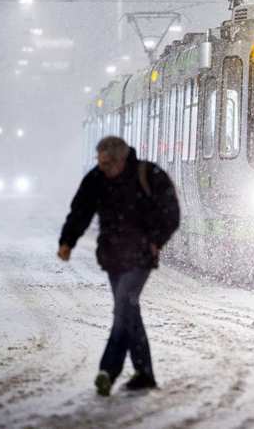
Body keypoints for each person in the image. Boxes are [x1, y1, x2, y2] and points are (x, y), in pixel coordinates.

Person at [57, 136, 180, 396]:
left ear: (122, 159)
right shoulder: (96, 179)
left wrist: (156, 240)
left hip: (140, 258)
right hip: (113, 258)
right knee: (129, 311)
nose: (103, 168)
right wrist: (67, 241)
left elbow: (171, 212)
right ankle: (144, 373)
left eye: (108, 164)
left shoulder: (149, 175)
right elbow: (80, 211)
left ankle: (107, 371)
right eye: (100, 163)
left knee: (124, 306)